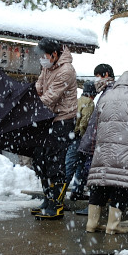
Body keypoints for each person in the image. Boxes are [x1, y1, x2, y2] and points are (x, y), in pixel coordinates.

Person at [85, 70, 128, 235]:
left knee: (100, 183)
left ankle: (91, 223)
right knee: (120, 184)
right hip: (126, 148)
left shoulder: (107, 96)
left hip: (103, 146)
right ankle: (112, 225)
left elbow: (96, 119)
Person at [30, 38, 78, 220]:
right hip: (47, 118)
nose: (42, 59)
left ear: (55, 54)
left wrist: (32, 107)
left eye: (44, 56)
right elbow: (39, 88)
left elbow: (49, 98)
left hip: (63, 121)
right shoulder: (47, 66)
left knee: (55, 162)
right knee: (41, 160)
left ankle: (56, 204)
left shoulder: (66, 71)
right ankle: (47, 199)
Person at [73, 63, 115, 215]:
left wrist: (87, 136)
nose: (96, 80)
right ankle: (96, 207)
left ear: (105, 75)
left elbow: (91, 121)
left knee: (91, 173)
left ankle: (94, 208)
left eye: (97, 76)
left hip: (97, 140)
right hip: (98, 140)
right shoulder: (108, 92)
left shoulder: (108, 92)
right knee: (91, 173)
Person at [65, 80, 96, 202]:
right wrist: (85, 138)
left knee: (77, 165)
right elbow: (84, 123)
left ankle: (73, 192)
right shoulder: (89, 103)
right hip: (80, 138)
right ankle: (64, 195)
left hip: (72, 137)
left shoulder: (78, 101)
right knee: (77, 167)